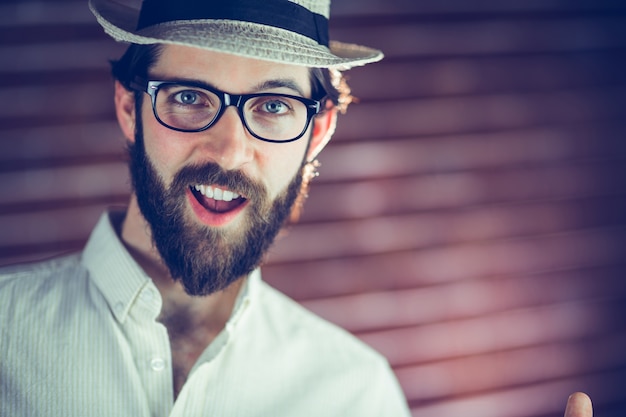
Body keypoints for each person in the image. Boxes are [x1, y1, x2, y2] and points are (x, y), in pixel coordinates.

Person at [0, 1, 593, 416]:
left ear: (319, 131)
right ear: (130, 109)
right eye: (187, 97)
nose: (231, 151)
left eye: (274, 107)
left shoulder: (356, 393)